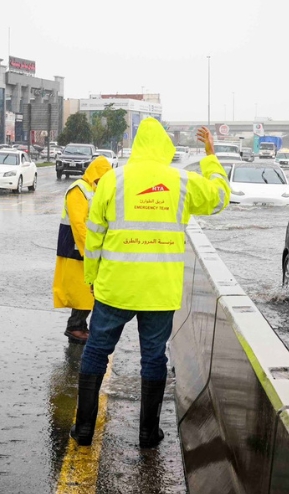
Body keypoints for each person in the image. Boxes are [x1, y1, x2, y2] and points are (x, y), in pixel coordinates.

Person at [71, 119, 229, 448]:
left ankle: (84, 429)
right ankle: (147, 433)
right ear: (165, 148)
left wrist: (91, 279)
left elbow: (94, 238)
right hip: (159, 292)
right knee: (154, 358)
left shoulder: (112, 181)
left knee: (97, 352)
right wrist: (211, 157)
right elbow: (218, 199)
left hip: (115, 288)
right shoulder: (181, 181)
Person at [53, 156, 113, 344]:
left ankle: (79, 326)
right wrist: (89, 250)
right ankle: (75, 327)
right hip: (76, 247)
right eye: (102, 176)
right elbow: (79, 224)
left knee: (87, 290)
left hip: (85, 247)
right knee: (82, 290)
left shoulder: (93, 189)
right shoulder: (78, 189)